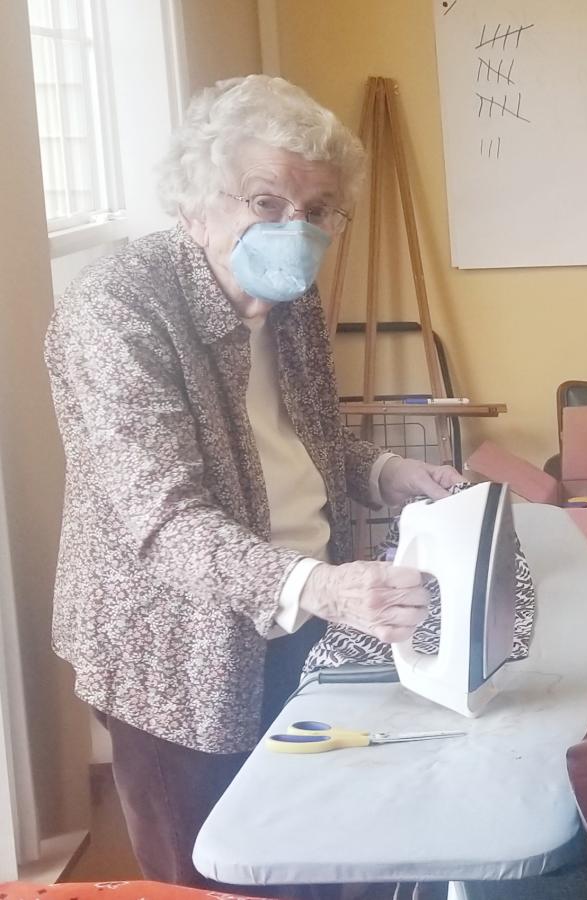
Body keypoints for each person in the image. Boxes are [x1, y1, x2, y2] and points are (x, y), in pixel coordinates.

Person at [44, 75, 459, 887]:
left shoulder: (289, 298)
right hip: (172, 643)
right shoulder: (115, 309)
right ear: (197, 204)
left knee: (311, 845)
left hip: (301, 610)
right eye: (267, 202)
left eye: (317, 210)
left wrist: (390, 471)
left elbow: (311, 440)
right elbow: (163, 521)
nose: (293, 230)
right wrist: (325, 588)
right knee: (209, 870)